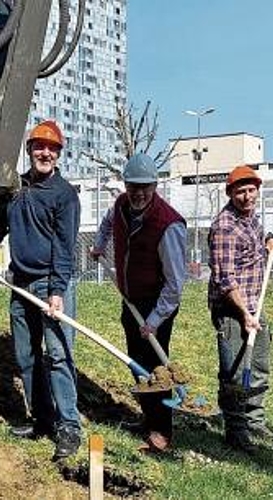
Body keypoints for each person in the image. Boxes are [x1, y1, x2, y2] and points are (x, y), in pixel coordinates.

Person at [0, 119, 82, 460]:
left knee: (59, 356)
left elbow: (65, 248)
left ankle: (69, 427)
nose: (44, 153)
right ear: (29, 150)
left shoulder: (65, 195)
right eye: (39, 146)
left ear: (59, 155)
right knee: (25, 355)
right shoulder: (16, 188)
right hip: (20, 282)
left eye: (51, 148)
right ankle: (42, 419)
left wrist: (58, 291)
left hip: (51, 284)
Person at [89, 153, 186, 454]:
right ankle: (148, 418)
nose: (139, 193)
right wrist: (99, 245)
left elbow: (175, 285)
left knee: (157, 369)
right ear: (126, 184)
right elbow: (106, 224)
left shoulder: (168, 224)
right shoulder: (120, 205)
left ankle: (162, 431)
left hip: (158, 304)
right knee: (136, 363)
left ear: (155, 185)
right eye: (133, 185)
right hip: (130, 299)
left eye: (146, 186)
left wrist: (154, 320)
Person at [208, 165, 273, 454]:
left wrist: (269, 240)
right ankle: (236, 430)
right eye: (241, 191)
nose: (247, 196)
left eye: (251, 190)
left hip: (255, 305)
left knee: (260, 365)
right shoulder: (224, 227)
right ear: (230, 193)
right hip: (232, 310)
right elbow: (225, 280)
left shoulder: (249, 219)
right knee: (235, 372)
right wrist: (244, 316)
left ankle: (255, 421)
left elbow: (258, 235)